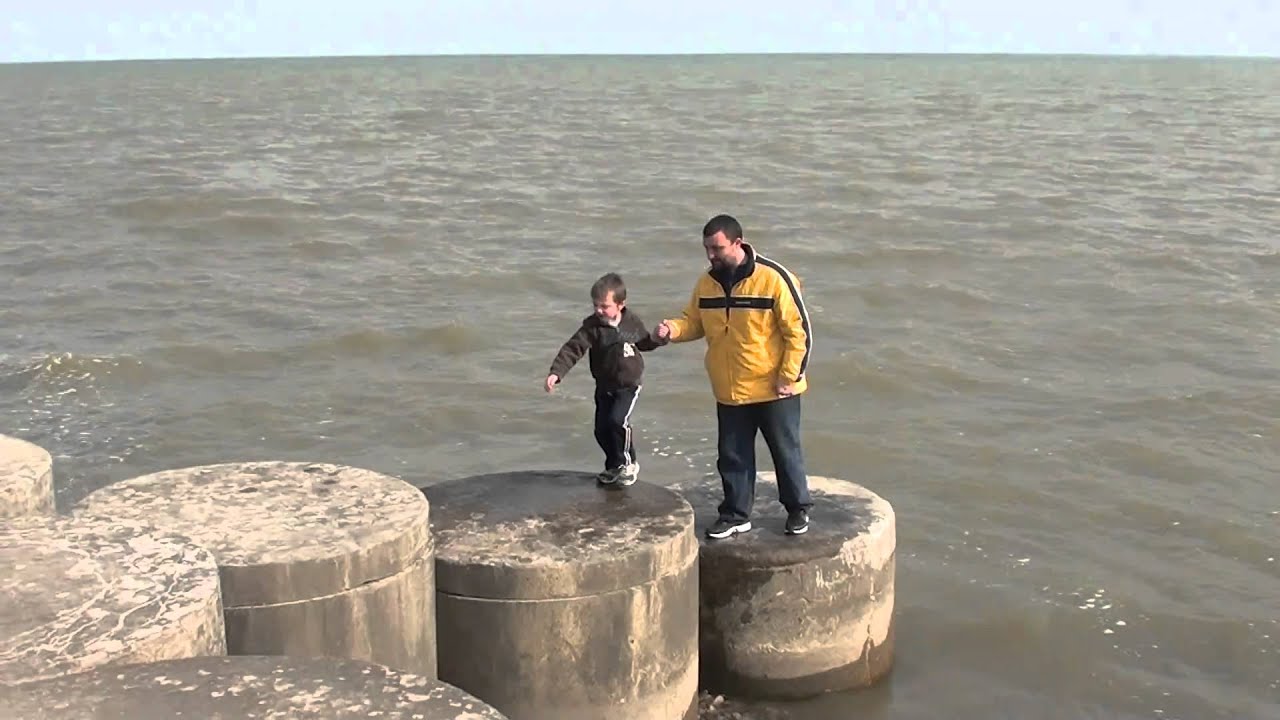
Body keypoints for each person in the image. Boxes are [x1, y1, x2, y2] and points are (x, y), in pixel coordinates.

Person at [654, 214, 813, 538]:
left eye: (717, 248)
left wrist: (789, 376)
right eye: (707, 249)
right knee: (732, 455)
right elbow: (695, 322)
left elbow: (800, 333)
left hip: (774, 387)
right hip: (729, 387)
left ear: (738, 243)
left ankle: (798, 509)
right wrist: (672, 329)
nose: (710, 255)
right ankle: (736, 514)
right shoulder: (706, 283)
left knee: (785, 452)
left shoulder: (774, 278)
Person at [546, 272, 660, 486]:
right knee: (601, 430)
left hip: (629, 384)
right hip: (604, 385)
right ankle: (614, 466)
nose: (599, 310)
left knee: (618, 421)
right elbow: (573, 348)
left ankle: (629, 464)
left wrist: (658, 338)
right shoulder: (592, 327)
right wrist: (556, 372)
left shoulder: (631, 322)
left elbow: (645, 343)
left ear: (621, 304)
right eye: (595, 305)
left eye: (604, 306)